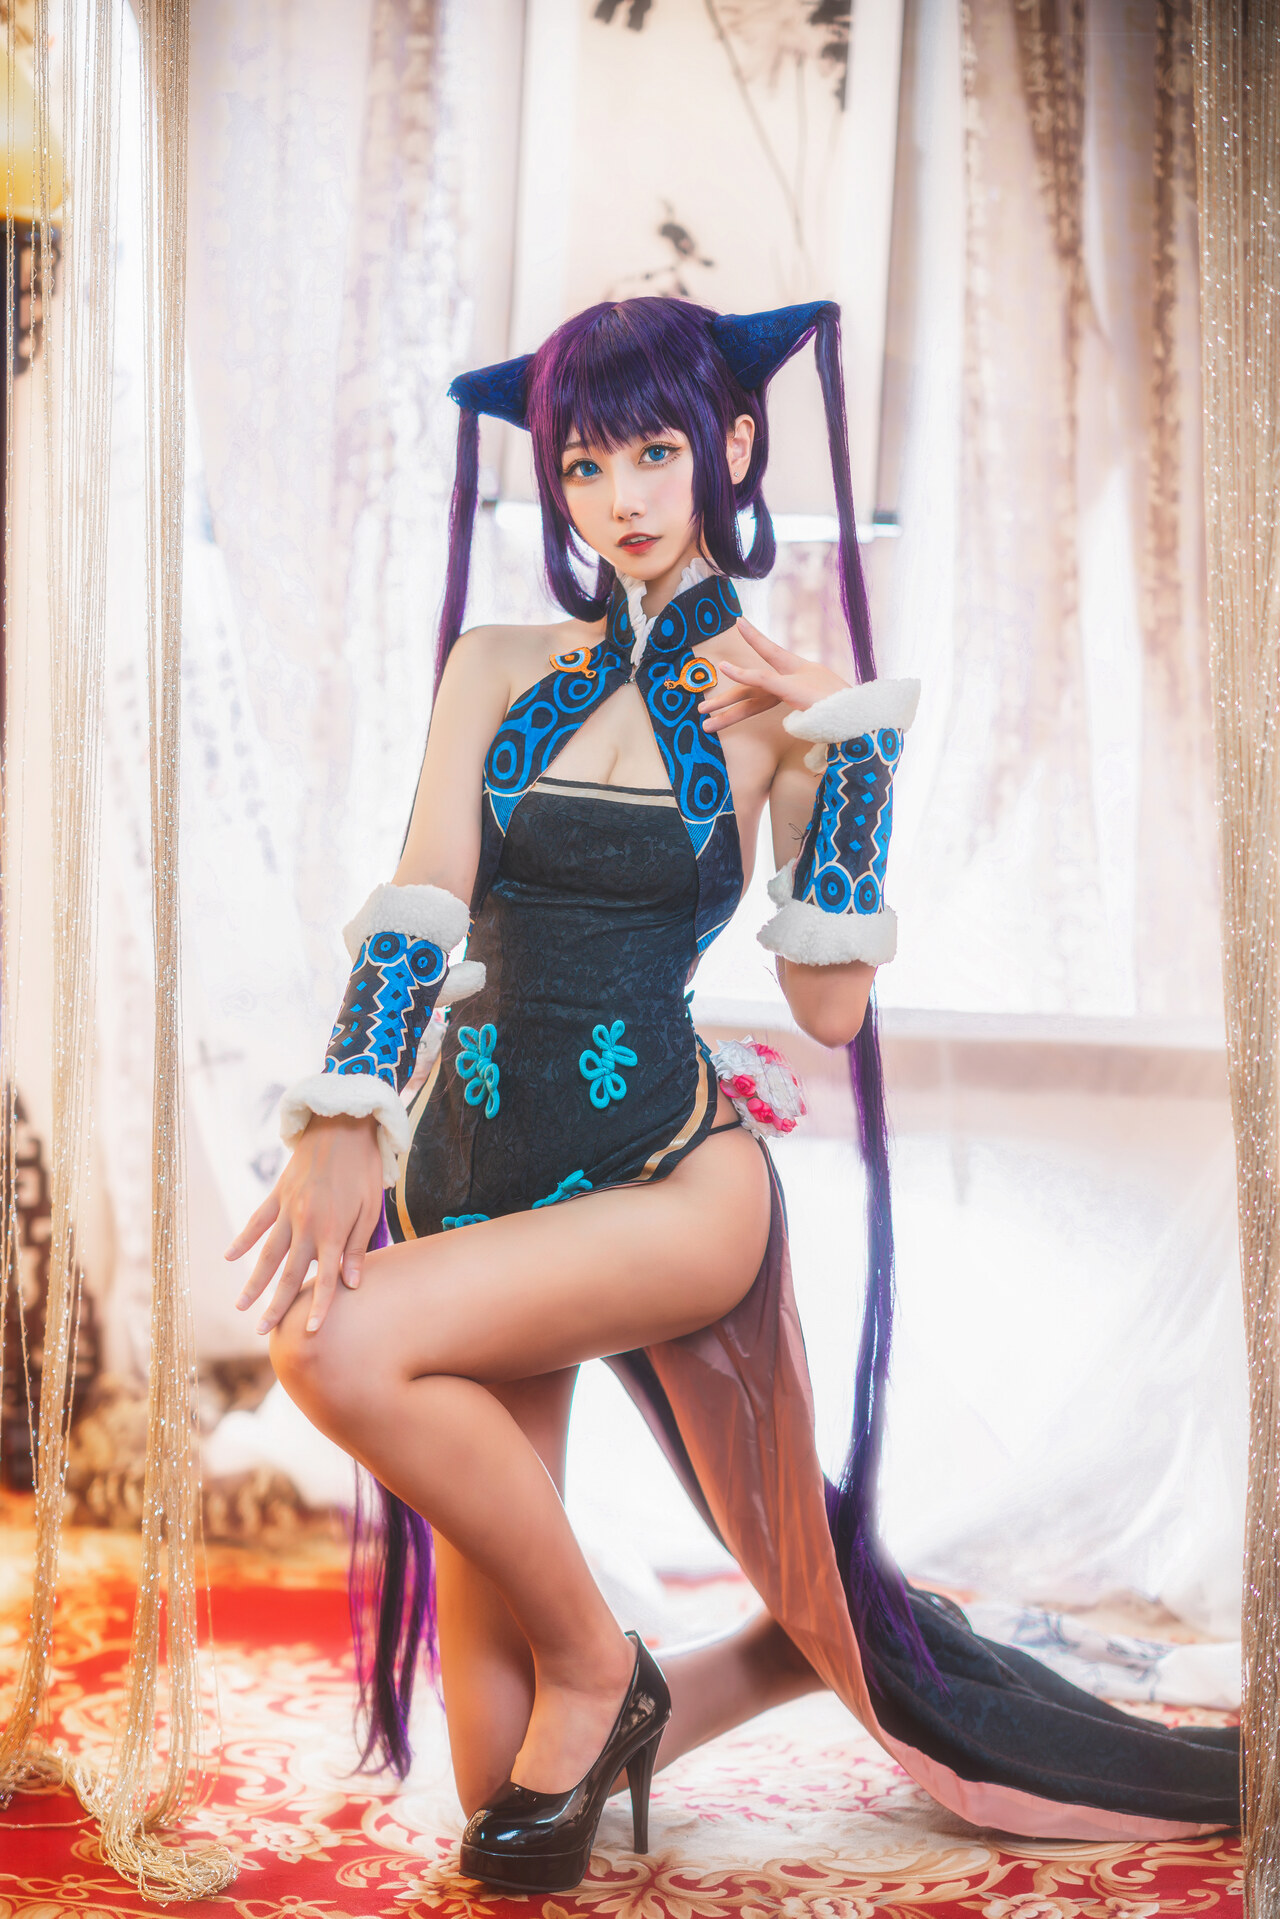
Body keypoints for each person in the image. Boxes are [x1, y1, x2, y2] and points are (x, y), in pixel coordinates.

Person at [228, 298, 1237, 1897]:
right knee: (497, 1785)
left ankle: (597, 1666)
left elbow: (829, 1010)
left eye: (654, 450)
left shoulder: (776, 709)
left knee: (327, 1342)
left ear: (734, 445)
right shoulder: (495, 666)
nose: (620, 496)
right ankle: (771, 1652)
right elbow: (426, 894)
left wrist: (850, 754)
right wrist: (347, 1111)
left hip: (672, 1184)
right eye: (583, 464)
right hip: (477, 1181)